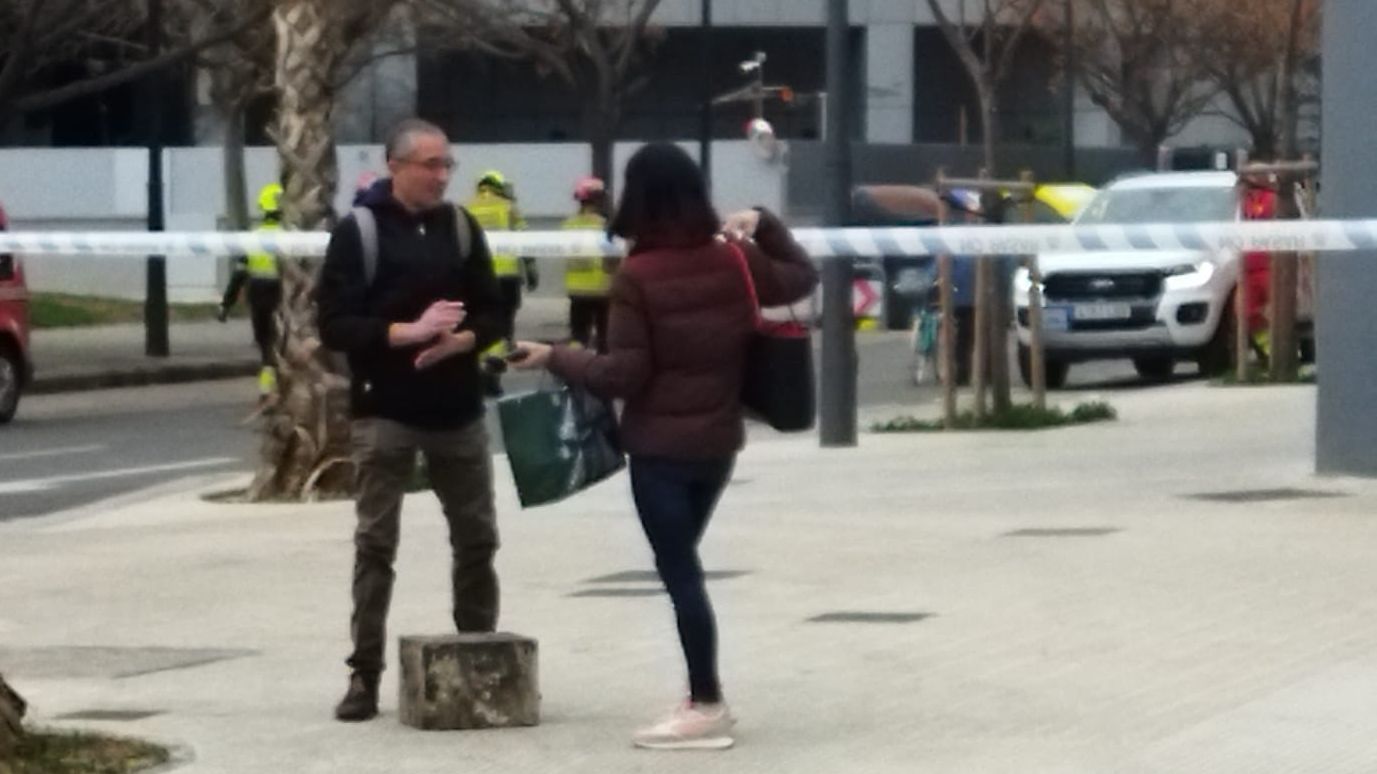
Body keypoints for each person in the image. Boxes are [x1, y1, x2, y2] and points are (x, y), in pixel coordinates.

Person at [510, 142, 817, 750]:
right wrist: (764, 222)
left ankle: (706, 704)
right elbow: (803, 275)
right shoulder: (734, 258)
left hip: (660, 451)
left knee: (680, 573)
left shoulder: (638, 276)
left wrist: (556, 356)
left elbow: (623, 375)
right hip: (718, 446)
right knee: (682, 565)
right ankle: (700, 697)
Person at [316, 118, 506, 723]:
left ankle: (478, 657)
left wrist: (463, 341)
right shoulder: (360, 232)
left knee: (477, 540)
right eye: (430, 165)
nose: (442, 176)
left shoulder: (461, 227)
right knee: (376, 545)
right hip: (386, 410)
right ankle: (364, 675)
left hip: (458, 410)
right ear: (395, 166)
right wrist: (408, 332)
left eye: (447, 164)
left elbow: (496, 309)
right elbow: (335, 324)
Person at [465, 171, 535, 390]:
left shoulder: (467, 208)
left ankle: (480, 369)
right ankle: (494, 372)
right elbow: (524, 239)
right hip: (506, 276)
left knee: (479, 320)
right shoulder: (508, 207)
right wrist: (530, 269)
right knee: (503, 324)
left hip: (477, 276)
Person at [218, 183, 284, 402]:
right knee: (281, 343)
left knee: (265, 344)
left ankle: (266, 391)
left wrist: (226, 304)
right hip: (281, 295)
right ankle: (280, 390)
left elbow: (239, 274)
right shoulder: (290, 237)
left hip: (257, 294)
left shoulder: (253, 237)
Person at [562, 176, 615, 351]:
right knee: (605, 335)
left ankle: (573, 364)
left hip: (576, 289)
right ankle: (604, 362)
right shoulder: (604, 225)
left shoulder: (568, 224)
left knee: (578, 336)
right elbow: (612, 259)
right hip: (602, 289)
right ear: (598, 199)